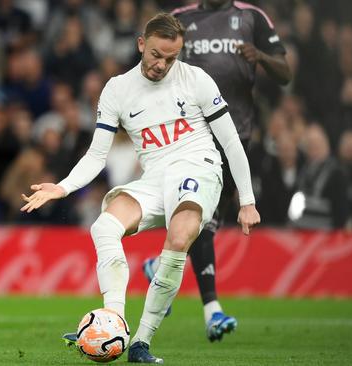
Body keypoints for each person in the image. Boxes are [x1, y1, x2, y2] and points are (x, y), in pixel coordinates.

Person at [20, 13, 259, 364]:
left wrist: (247, 200)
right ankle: (113, 322)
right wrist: (63, 187)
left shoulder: (197, 80)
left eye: (171, 58)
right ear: (141, 44)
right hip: (155, 177)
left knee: (179, 237)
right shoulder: (117, 89)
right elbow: (96, 154)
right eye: (156, 55)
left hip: (199, 168)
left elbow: (231, 142)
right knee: (103, 226)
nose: (162, 65)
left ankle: (141, 344)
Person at [141, 0, 290, 342]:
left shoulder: (251, 17)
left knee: (205, 220)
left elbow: (285, 74)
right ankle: (212, 311)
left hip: (235, 135)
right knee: (201, 217)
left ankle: (160, 267)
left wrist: (261, 58)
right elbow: (151, 68)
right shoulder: (180, 20)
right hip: (190, 136)